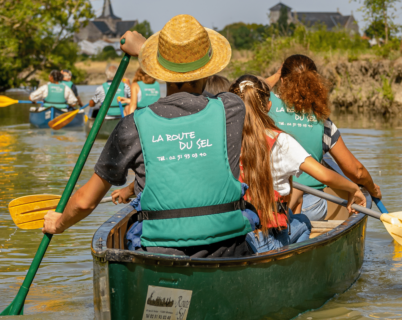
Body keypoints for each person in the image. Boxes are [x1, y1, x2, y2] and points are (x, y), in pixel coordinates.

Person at [43, 15, 254, 258]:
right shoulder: (232, 108)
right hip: (227, 249)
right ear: (207, 69)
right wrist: (146, 50)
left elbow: (84, 203)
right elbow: (203, 97)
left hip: (159, 252)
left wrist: (57, 224)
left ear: (161, 71)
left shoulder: (131, 126)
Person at [228, 75, 366, 253]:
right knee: (303, 222)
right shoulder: (281, 141)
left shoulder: (223, 138)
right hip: (266, 241)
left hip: (232, 237)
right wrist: (353, 188)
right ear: (269, 106)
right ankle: (291, 257)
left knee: (294, 211)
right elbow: (324, 175)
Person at [264, 55, 381, 221]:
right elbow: (356, 171)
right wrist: (372, 188)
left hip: (268, 200)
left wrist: (276, 75)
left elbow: (248, 84)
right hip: (311, 205)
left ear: (283, 81)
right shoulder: (323, 123)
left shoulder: (264, 107)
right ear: (315, 83)